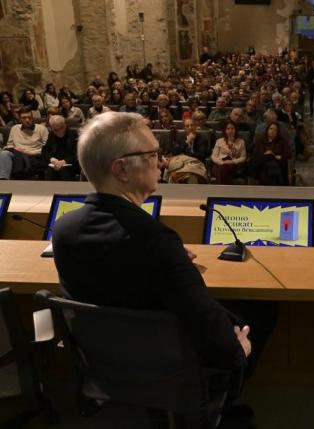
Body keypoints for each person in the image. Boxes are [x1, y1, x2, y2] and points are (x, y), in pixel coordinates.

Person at [50, 112, 252, 427]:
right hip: (168, 371)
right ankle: (221, 409)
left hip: (109, 366)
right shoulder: (155, 241)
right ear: (121, 169)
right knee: (259, 313)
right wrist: (236, 350)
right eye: (152, 155)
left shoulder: (63, 230)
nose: (161, 162)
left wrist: (172, 261)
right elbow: (207, 327)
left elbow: (118, 276)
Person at [0, 107, 49, 179]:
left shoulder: (41, 129)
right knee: (4, 154)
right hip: (17, 153)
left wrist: (29, 152)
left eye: (29, 117)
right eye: (24, 118)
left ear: (33, 118)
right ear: (19, 119)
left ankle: (18, 176)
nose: (27, 120)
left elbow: (47, 148)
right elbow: (10, 144)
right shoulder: (15, 128)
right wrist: (10, 148)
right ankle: (3, 180)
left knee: (20, 156)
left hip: (33, 154)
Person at [41, 115, 79, 181]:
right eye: (56, 130)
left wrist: (64, 161)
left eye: (61, 128)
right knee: (49, 171)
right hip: (54, 162)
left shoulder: (74, 134)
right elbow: (45, 150)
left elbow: (79, 155)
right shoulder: (52, 134)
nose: (59, 132)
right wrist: (51, 159)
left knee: (64, 171)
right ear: (52, 128)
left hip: (70, 163)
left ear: (65, 125)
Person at [211, 120, 246, 184]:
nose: (230, 130)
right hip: (219, 163)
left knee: (223, 171)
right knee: (221, 169)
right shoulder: (219, 141)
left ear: (235, 130)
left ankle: (220, 192)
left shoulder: (241, 141)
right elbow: (213, 156)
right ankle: (227, 192)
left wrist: (233, 161)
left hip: (232, 164)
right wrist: (222, 162)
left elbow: (243, 157)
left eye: (232, 128)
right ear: (225, 130)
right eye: (228, 128)